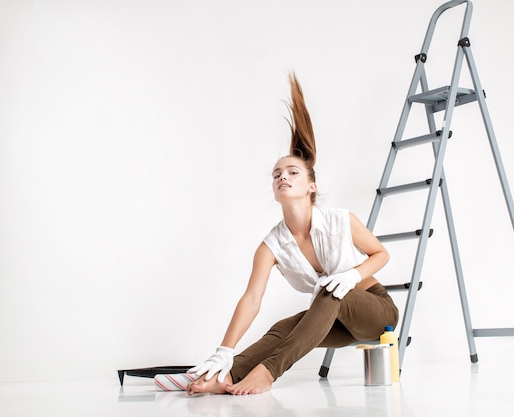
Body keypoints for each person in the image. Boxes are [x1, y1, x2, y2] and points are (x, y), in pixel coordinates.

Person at [154, 73, 399, 395]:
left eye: (292, 172)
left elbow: (382, 254)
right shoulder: (271, 245)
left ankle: (267, 374)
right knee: (283, 328)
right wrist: (223, 350)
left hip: (375, 312)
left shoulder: (341, 220)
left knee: (329, 291)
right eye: (276, 174)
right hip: (334, 322)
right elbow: (251, 299)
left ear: (311, 186)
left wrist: (353, 276)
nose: (283, 177)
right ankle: (222, 375)